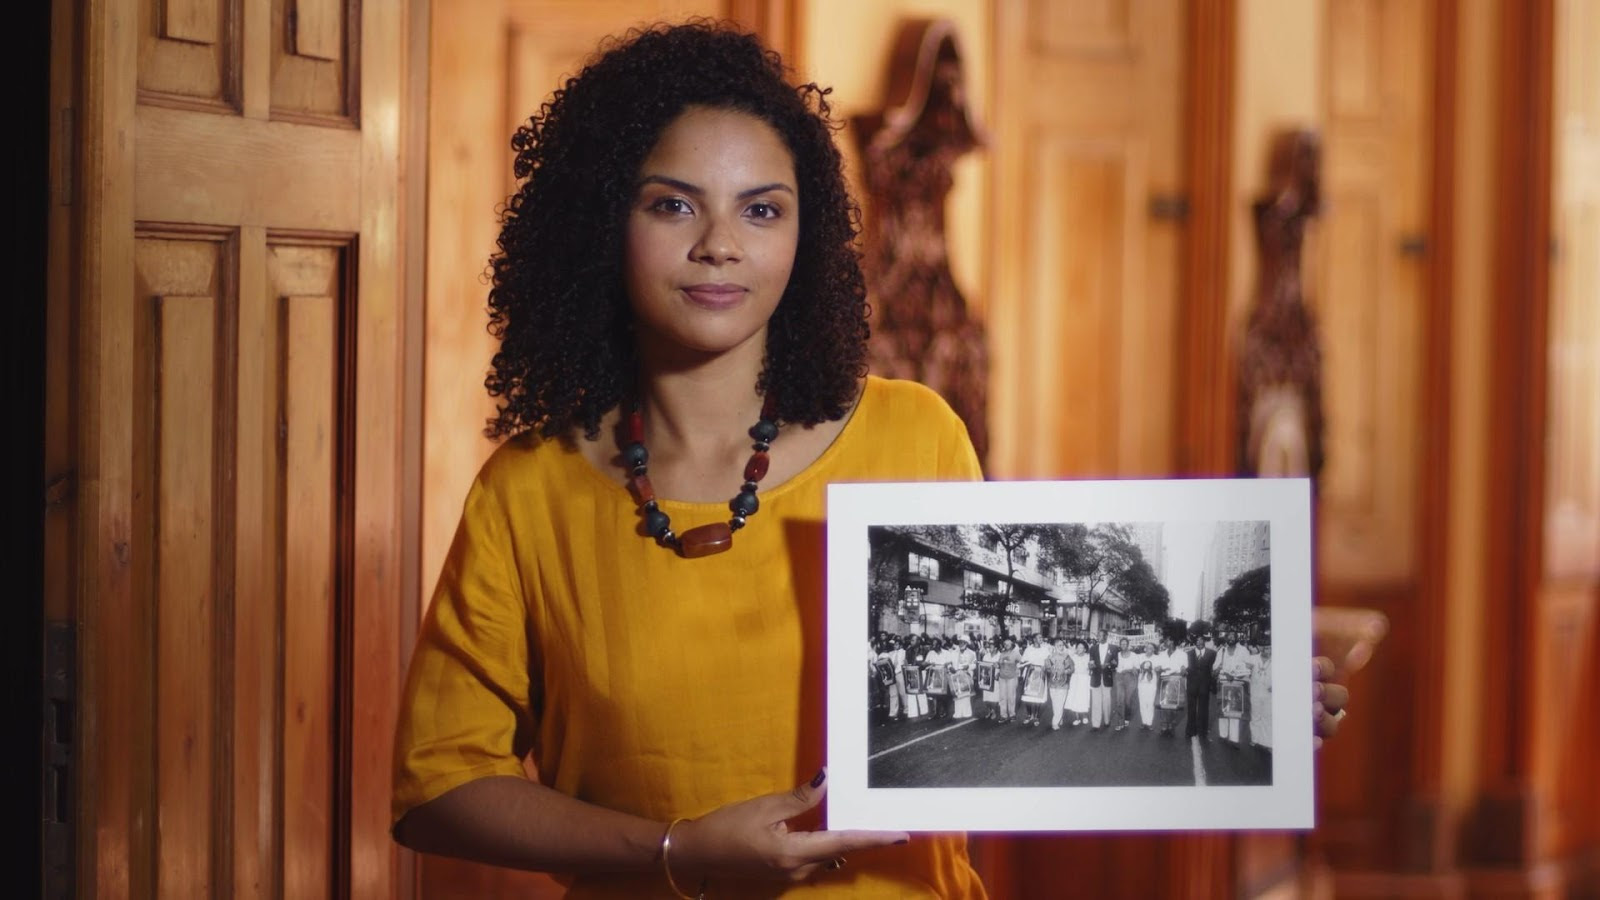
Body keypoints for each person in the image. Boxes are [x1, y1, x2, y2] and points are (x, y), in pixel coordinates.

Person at [389, 20, 1351, 896]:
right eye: (674, 206)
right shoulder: (530, 489)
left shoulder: (913, 437)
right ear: (605, 222)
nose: (721, 244)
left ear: (806, 236)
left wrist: (1224, 690)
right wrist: (675, 850)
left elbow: (1022, 689)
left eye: (761, 211)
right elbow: (437, 786)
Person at [1215, 632, 1257, 746]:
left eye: (1233, 636)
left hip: (1238, 683)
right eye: (1229, 636)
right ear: (1226, 638)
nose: (1230, 638)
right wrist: (1222, 671)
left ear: (1237, 638)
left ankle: (1234, 739)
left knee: (1235, 711)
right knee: (1223, 711)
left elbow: (1249, 667)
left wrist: (1237, 673)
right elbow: (1215, 668)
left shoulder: (1243, 651)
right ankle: (1223, 735)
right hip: (1223, 683)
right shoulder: (1221, 651)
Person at [1186, 625, 1220, 741]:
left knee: (1204, 709)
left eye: (1201, 640)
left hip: (1205, 685)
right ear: (1194, 642)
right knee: (1191, 708)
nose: (1199, 642)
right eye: (1197, 640)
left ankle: (1203, 731)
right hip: (1191, 685)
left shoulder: (1212, 653)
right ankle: (1191, 730)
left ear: (1204, 641)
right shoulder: (1189, 653)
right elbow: (1185, 668)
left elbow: (1214, 669)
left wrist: (1214, 683)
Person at [1154, 637, 1188, 736]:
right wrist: (1159, 668)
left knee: (1174, 705)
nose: (1165, 642)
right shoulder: (1161, 654)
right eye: (1165, 640)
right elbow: (1157, 667)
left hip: (1176, 680)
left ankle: (1171, 725)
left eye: (1168, 640)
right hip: (1164, 680)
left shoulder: (1182, 654)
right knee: (1163, 704)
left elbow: (1184, 667)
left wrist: (1182, 670)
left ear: (1173, 641)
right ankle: (1164, 726)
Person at [1019, 635, 1051, 726]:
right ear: (1034, 639)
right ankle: (1029, 715)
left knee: (1038, 696)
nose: (1041, 639)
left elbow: (1048, 661)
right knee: (1027, 696)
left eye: (1042, 637)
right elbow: (1023, 661)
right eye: (1039, 637)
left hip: (1041, 674)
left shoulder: (1045, 649)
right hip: (1030, 673)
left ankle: (1036, 716)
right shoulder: (1028, 649)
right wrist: (1028, 665)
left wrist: (1046, 666)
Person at [1045, 639, 1076, 731]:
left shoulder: (1067, 657)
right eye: (1059, 645)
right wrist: (1052, 670)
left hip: (1063, 683)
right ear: (1054, 646)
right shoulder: (1050, 656)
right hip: (1052, 683)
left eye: (1062, 645)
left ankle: (1055, 722)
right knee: (1055, 703)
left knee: (1060, 703)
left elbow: (1072, 668)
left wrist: (1065, 671)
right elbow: (1047, 668)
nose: (1061, 647)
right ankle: (1059, 718)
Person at [1112, 636, 1138, 730]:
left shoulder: (1134, 655)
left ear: (1128, 645)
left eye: (1125, 644)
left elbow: (1136, 669)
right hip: (1119, 677)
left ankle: (1127, 716)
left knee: (1128, 701)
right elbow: (1113, 665)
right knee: (1119, 700)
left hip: (1130, 678)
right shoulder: (1117, 654)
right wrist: (1113, 663)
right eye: (1121, 644)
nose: (1123, 645)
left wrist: (1129, 669)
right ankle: (1120, 722)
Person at [1066, 639, 1092, 726]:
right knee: (1074, 697)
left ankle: (1084, 716)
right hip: (1075, 679)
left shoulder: (1088, 657)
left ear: (1085, 649)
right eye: (1078, 647)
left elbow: (1091, 668)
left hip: (1085, 679)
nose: (1079, 649)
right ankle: (1077, 718)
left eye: (1082, 648)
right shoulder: (1073, 657)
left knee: (1084, 698)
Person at [996, 637, 1021, 723]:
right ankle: (1003, 715)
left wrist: (1017, 671)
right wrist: (997, 665)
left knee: (1011, 697)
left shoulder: (1016, 653)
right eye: (1005, 644)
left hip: (1012, 678)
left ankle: (1012, 714)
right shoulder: (1002, 653)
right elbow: (999, 664)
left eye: (1008, 644)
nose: (1006, 645)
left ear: (1012, 645)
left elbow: (1021, 663)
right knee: (1002, 697)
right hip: (1002, 677)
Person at [1136, 643, 1159, 730]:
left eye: (1151, 648)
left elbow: (1158, 668)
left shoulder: (1157, 658)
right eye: (1147, 647)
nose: (1149, 649)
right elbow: (1136, 666)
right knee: (1142, 703)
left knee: (1150, 703)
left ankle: (1149, 723)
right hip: (1141, 683)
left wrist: (1157, 669)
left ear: (1154, 650)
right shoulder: (1140, 657)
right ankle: (1143, 722)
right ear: (1145, 649)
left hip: (1151, 683)